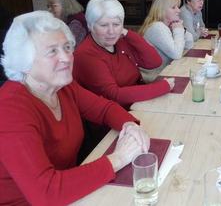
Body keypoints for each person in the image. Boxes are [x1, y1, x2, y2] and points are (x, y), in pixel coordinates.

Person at [0, 11, 149, 205]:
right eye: (52, 51)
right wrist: (119, 158)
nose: (66, 58)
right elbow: (46, 193)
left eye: (67, 47)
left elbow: (104, 109)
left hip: (73, 190)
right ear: (24, 62)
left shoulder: (63, 87)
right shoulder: (10, 109)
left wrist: (130, 125)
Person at [73, 0, 174, 109]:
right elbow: (113, 95)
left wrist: (128, 34)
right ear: (90, 26)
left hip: (137, 103)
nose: (111, 31)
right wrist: (162, 87)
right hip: (113, 117)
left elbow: (154, 62)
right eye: (104, 25)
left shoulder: (120, 40)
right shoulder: (86, 54)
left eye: (116, 24)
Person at [138, 0, 193, 82]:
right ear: (162, 10)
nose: (178, 10)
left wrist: (180, 28)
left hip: (166, 72)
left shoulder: (167, 25)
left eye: (178, 7)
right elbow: (177, 54)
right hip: (153, 77)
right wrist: (178, 30)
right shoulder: (157, 27)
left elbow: (189, 44)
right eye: (173, 7)